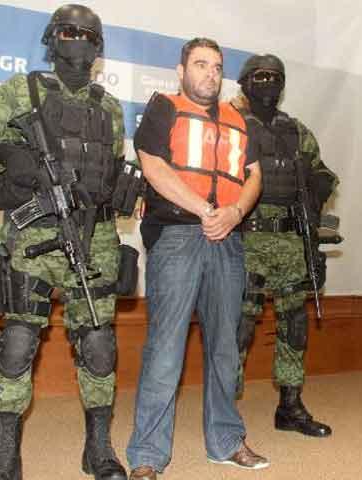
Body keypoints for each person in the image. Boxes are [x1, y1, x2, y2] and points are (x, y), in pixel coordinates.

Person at [0, 4, 140, 480]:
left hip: (95, 239)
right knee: (18, 343)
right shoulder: (20, 90)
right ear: (51, 39)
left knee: (99, 345)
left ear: (98, 48)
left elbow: (108, 172)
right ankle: (5, 455)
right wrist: (9, 155)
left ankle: (98, 449)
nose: (78, 41)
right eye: (68, 32)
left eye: (87, 35)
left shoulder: (109, 107)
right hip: (33, 235)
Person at [125, 38, 267, 480]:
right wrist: (206, 211)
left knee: (226, 346)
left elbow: (254, 176)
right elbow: (153, 166)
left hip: (229, 238)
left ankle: (226, 440)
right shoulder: (163, 107)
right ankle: (148, 454)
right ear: (181, 70)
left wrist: (235, 212)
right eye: (201, 64)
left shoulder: (240, 119)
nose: (210, 73)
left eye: (217, 67)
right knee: (166, 346)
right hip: (177, 236)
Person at [233, 53, 338, 437]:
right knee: (239, 326)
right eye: (259, 76)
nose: (267, 83)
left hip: (292, 240)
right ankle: (224, 407)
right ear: (245, 82)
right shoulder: (231, 124)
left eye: (274, 77)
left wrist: (317, 189)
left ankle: (290, 406)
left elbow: (322, 172)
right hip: (246, 238)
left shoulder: (296, 130)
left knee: (295, 324)